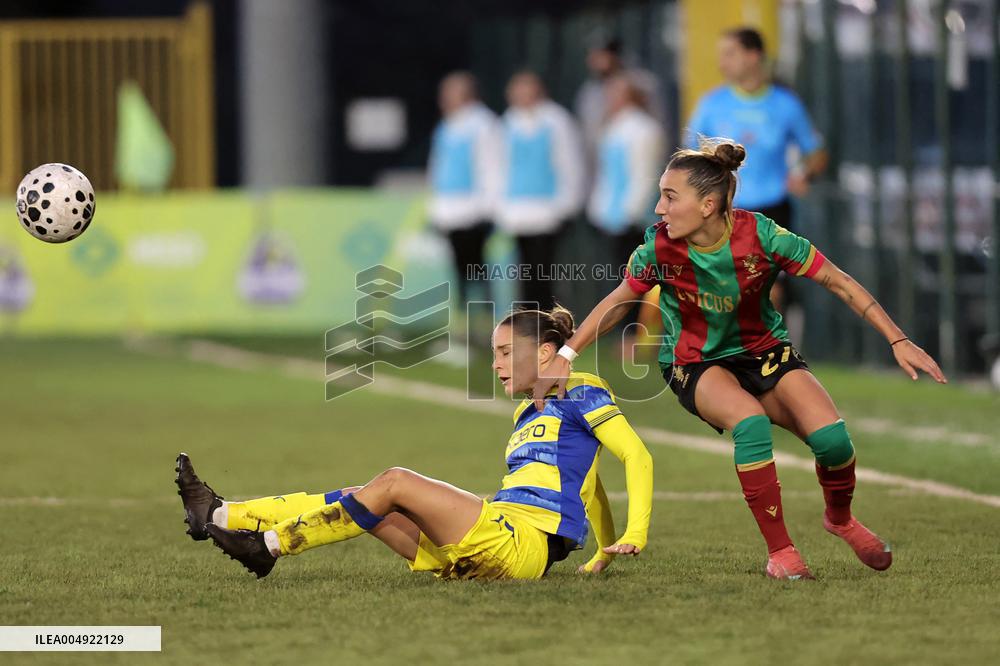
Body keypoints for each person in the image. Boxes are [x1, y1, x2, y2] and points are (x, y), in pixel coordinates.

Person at [532, 139, 946, 580]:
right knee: (750, 424)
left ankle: (840, 519)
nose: (658, 208)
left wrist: (898, 339)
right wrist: (567, 353)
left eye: (670, 197)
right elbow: (618, 302)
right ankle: (781, 552)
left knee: (834, 443)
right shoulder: (658, 249)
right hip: (693, 363)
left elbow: (837, 281)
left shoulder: (764, 236)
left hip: (764, 351)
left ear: (708, 205)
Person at [177, 306, 653, 580]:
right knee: (360, 497)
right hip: (493, 537)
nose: (495, 364)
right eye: (495, 354)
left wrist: (635, 534)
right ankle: (220, 515)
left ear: (547, 352)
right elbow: (588, 486)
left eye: (506, 352)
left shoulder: (582, 392)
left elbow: (635, 454)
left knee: (395, 482)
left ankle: (267, 548)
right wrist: (602, 553)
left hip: (520, 543)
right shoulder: (527, 412)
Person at [687, 27, 827, 313]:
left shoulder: (785, 104)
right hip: (723, 211)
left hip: (772, 211)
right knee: (723, 291)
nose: (722, 63)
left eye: (730, 54)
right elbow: (689, 158)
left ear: (753, 56)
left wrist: (803, 174)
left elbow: (816, 153)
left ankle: (769, 340)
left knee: (770, 290)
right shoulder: (711, 104)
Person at [587, 74, 665, 351]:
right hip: (612, 217)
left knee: (638, 279)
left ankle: (636, 337)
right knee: (621, 278)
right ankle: (625, 336)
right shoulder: (613, 128)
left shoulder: (644, 129)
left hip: (634, 221)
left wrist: (630, 212)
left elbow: (645, 175)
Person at [497, 72, 584, 310]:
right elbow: (501, 166)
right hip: (517, 210)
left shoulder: (556, 120)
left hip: (548, 209)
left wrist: (567, 202)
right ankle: (528, 318)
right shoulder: (509, 122)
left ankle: (549, 317)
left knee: (546, 269)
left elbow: (569, 163)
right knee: (524, 270)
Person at [427, 71, 503, 308]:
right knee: (459, 265)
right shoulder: (446, 126)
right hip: (450, 208)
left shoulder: (483, 123)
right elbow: (438, 167)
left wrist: (488, 205)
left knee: (476, 265)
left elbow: (492, 165)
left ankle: (483, 311)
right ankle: (465, 311)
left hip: (474, 208)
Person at [575, 37, 668, 179]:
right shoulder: (590, 93)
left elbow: (658, 125)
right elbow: (589, 137)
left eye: (600, 55)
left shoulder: (643, 83)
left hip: (639, 157)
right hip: (604, 165)